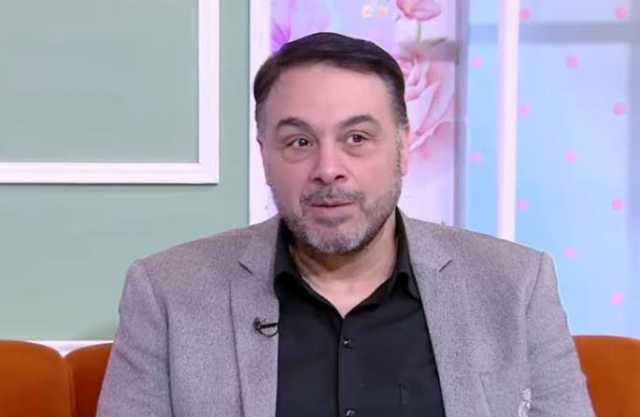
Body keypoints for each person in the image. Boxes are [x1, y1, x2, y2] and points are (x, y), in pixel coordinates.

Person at [97, 32, 595, 417]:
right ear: (265, 156)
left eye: (357, 138)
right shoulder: (167, 292)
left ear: (402, 149)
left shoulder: (515, 284)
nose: (328, 169)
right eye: (299, 142)